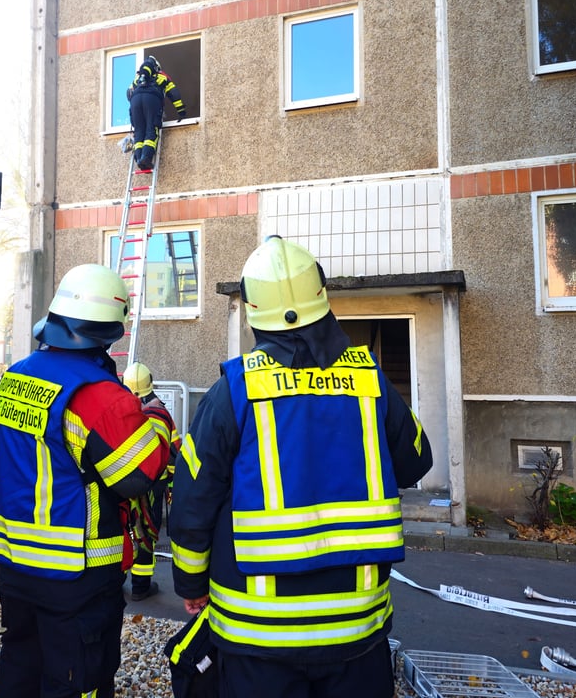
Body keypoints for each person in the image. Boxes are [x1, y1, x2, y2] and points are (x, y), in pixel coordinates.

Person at [169, 235, 433, 698]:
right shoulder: (368, 378)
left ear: (253, 311)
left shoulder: (234, 389)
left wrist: (190, 582)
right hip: (356, 627)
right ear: (322, 297)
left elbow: (194, 499)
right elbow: (416, 460)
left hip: (257, 631)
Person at [0, 263, 173, 698]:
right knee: (76, 680)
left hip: (13, 563)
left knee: (20, 669)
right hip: (75, 576)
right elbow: (139, 474)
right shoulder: (102, 398)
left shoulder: (15, 377)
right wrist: (158, 422)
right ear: (109, 333)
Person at [122, 361, 181, 602]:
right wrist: (173, 485)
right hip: (153, 484)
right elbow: (175, 451)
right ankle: (140, 586)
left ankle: (118, 580)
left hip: (124, 482)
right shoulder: (162, 414)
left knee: (126, 529)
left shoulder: (123, 412)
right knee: (146, 533)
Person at [127, 55, 187, 173]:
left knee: (139, 132)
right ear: (157, 68)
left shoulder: (137, 79)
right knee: (151, 130)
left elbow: (128, 93)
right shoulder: (162, 76)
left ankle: (139, 158)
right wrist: (181, 111)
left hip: (135, 102)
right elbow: (173, 93)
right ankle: (146, 158)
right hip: (151, 99)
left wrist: (137, 107)